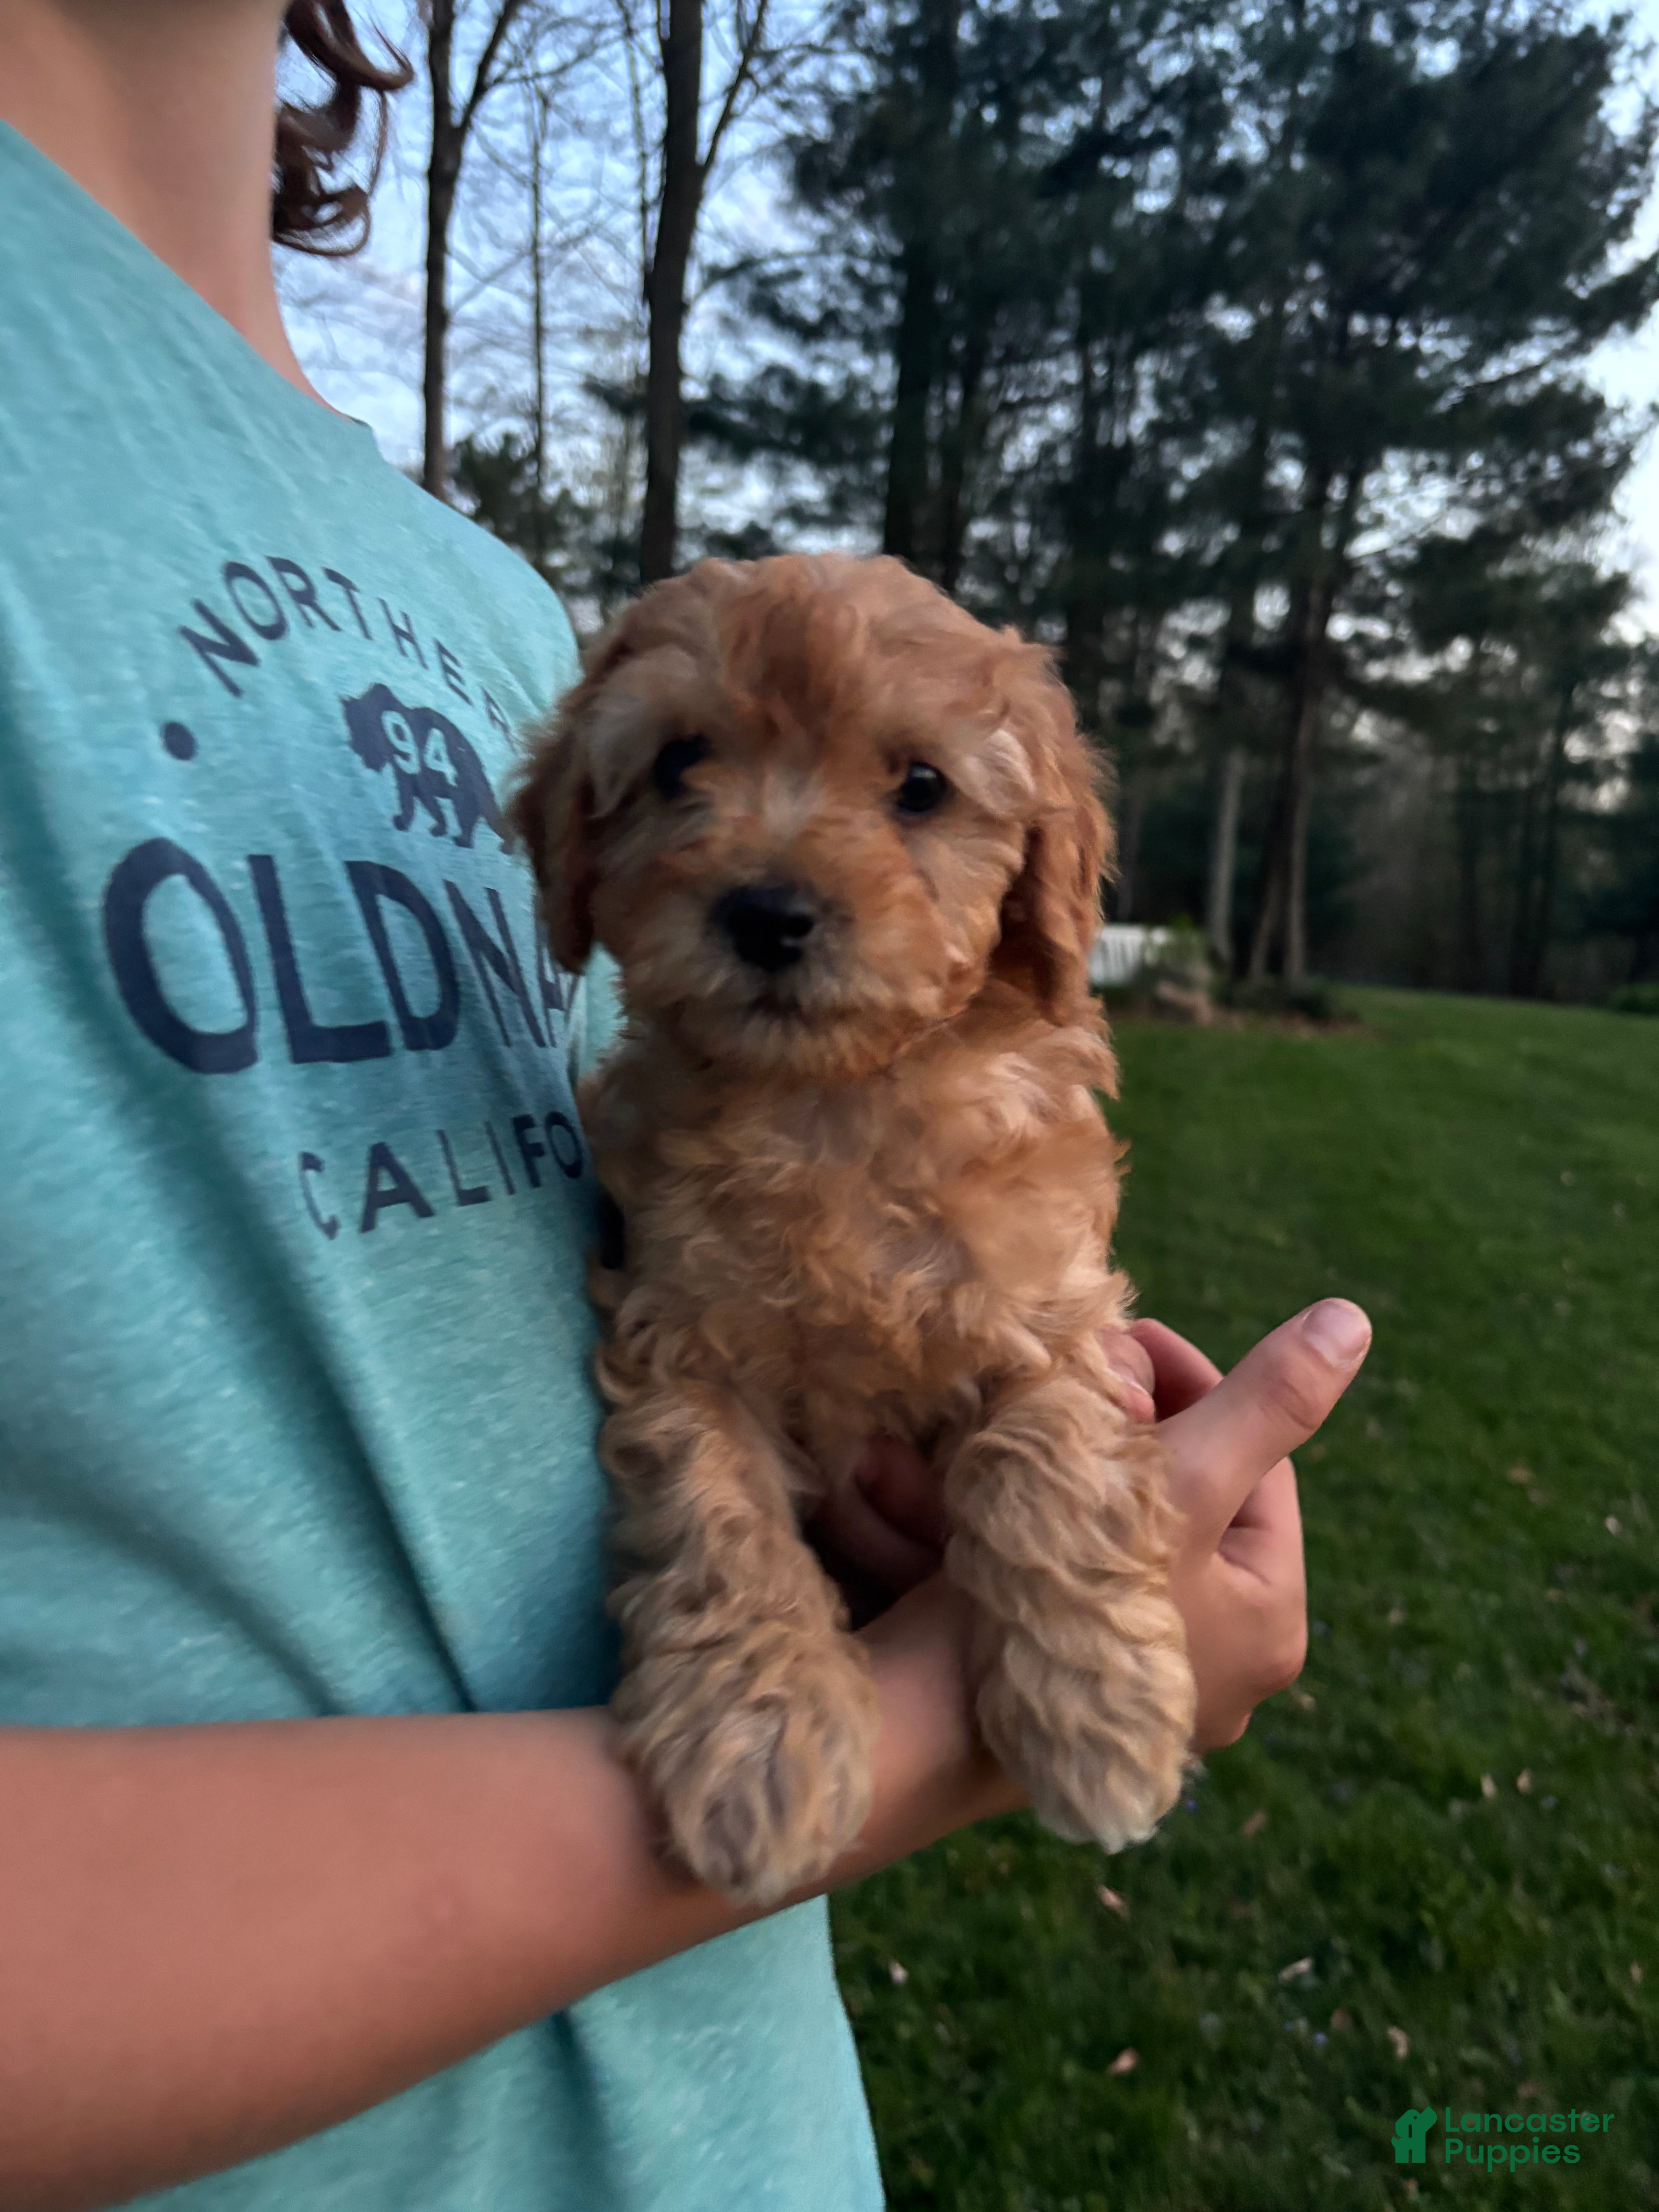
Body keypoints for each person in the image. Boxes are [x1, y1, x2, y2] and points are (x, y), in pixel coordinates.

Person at [0, 4, 1373, 2207]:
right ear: (581, 851)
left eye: (910, 795)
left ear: (1042, 876)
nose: (768, 866)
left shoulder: (455, 583)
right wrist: (922, 1718)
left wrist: (985, 1494)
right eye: (688, 782)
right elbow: (672, 1369)